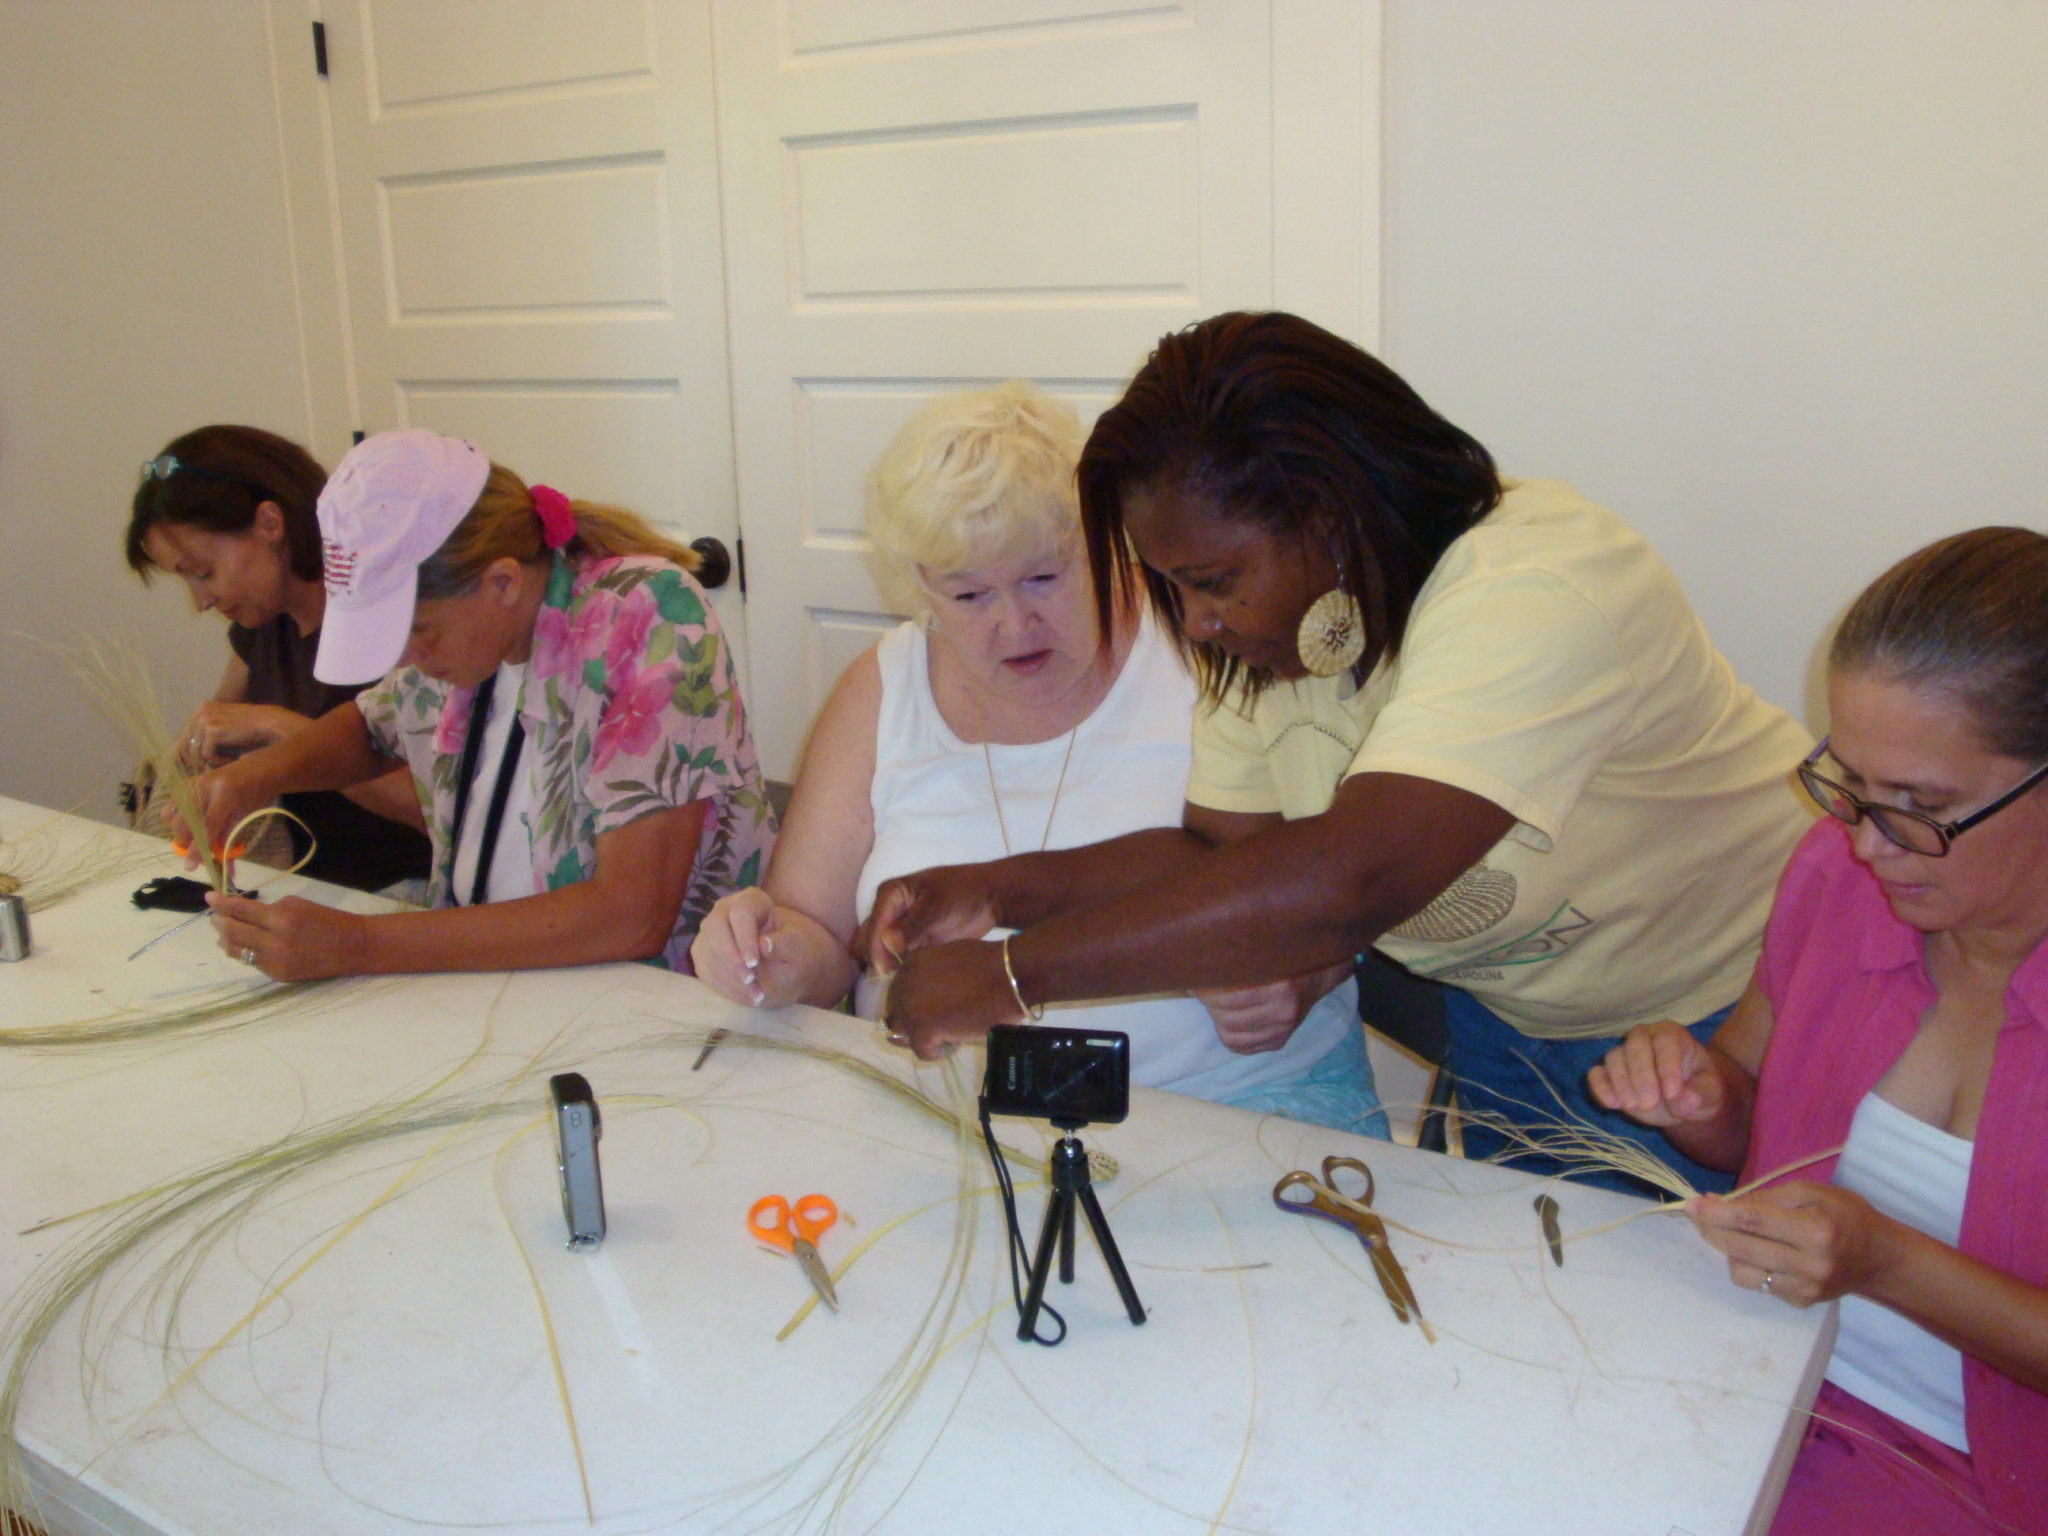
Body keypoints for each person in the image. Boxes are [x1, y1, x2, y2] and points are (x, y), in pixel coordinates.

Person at [866, 312, 1813, 1192]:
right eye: (1171, 585)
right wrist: (999, 888)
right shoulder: (1282, 630)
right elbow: (1214, 854)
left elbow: (1344, 882)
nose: (1193, 619)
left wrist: (1011, 976)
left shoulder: (1539, 588)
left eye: (1213, 581)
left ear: (1329, 512)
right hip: (1521, 1033)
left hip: (1740, 1020)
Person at [691, 383, 1383, 1130]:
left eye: (1044, 578)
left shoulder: (1211, 644)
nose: (1015, 624)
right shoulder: (882, 691)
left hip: (1238, 1099)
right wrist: (767, 954)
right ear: (919, 584)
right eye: (968, 596)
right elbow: (818, 933)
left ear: (1103, 542)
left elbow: (1352, 875)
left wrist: (1309, 974)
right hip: (952, 1116)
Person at [1590, 528, 2048, 1534]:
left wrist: (1886, 1264)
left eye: (1921, 807)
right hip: (1770, 1382)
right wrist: (1698, 1098)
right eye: (1848, 784)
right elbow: (1747, 1119)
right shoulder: (1834, 878)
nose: (1863, 841)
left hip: (1985, 1474)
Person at [178, 428, 775, 981]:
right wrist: (254, 776)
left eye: (420, 633)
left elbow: (629, 915)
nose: (408, 659)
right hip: (496, 974)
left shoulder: (648, 613)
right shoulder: (469, 634)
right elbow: (370, 729)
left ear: (503, 583)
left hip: (646, 994)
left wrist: (360, 944)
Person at [125, 425, 430, 892]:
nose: (199, 600)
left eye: (203, 572)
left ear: (270, 523)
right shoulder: (262, 624)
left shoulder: (395, 625)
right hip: (307, 886)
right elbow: (216, 733)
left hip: (408, 893)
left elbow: (440, 810)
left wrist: (282, 731)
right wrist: (195, 780)